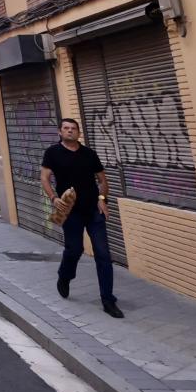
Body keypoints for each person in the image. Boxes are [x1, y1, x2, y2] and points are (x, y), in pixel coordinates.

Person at [40, 117, 122, 318]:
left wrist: (102, 198)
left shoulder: (89, 154)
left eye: (73, 128)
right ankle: (65, 276)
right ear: (60, 132)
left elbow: (102, 180)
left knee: (103, 255)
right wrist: (53, 197)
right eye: (66, 128)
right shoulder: (52, 153)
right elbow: (44, 177)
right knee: (74, 250)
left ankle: (108, 300)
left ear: (78, 132)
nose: (70, 131)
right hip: (70, 211)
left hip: (94, 211)